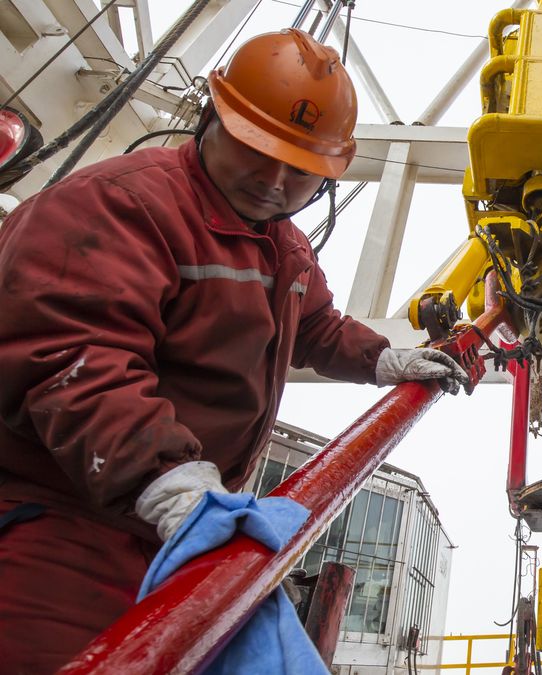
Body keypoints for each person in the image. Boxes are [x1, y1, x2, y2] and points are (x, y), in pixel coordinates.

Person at [0, 29, 467, 672]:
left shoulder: (283, 245)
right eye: (255, 149)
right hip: (62, 520)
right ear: (210, 118)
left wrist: (383, 360)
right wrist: (168, 482)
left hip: (175, 525)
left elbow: (316, 327)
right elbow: (72, 359)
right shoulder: (119, 205)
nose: (274, 181)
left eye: (300, 168)